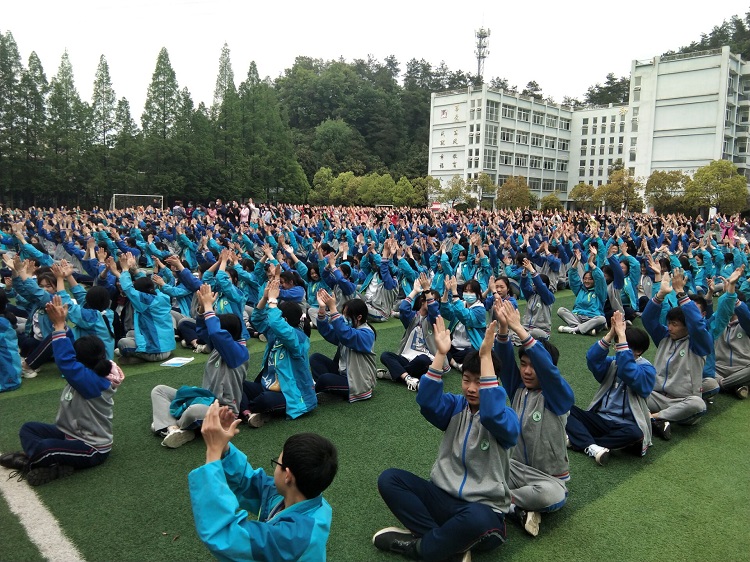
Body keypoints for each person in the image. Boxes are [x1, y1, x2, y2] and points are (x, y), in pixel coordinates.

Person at [373, 317, 519, 562]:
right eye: (466, 380)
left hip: (482, 510)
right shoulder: (455, 406)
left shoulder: (508, 418)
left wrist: (486, 357)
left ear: (492, 382)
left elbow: (492, 415)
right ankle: (445, 545)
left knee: (478, 520)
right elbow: (427, 402)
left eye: (479, 382)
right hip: (441, 498)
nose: (471, 388)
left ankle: (418, 548)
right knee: (390, 479)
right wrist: (440, 354)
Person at [189, 401, 338, 561]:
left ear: (288, 476)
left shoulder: (295, 536)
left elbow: (225, 536)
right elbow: (249, 482)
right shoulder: (300, 495)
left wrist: (213, 452)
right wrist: (223, 447)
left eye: (277, 462)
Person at [0, 296, 124, 485]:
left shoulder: (93, 382)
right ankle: (48, 462)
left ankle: (32, 462)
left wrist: (58, 327)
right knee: (29, 429)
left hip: (92, 448)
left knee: (46, 448)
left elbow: (65, 360)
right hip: (70, 434)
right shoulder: (90, 371)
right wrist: (62, 324)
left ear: (79, 361)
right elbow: (71, 351)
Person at [493, 299, 573, 537]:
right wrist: (504, 328)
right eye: (524, 364)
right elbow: (505, 361)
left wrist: (520, 328)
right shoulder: (518, 388)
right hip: (514, 468)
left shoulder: (557, 396)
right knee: (480, 465)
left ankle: (495, 500)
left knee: (552, 496)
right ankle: (514, 508)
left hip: (548, 478)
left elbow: (549, 372)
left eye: (534, 366)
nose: (527, 371)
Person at [150, 284, 249, 448]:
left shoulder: (239, 353)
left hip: (224, 412)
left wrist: (210, 306)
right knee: (159, 390)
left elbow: (215, 333)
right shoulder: (219, 347)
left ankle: (168, 423)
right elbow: (204, 331)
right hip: (204, 399)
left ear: (226, 334)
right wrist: (203, 309)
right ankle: (173, 428)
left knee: (193, 410)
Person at [567, 310, 656, 465]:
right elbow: (592, 359)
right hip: (601, 420)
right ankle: (591, 445)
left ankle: (584, 441)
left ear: (638, 351)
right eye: (618, 344)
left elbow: (628, 372)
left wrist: (622, 335)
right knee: (566, 409)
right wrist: (611, 334)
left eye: (623, 345)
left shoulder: (647, 369)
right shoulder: (613, 362)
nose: (618, 348)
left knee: (636, 434)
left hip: (625, 425)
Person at [642, 268, 712, 439]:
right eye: (669, 323)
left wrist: (681, 292)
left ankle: (654, 418)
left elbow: (697, 325)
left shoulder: (698, 343)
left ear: (687, 326)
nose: (670, 328)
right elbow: (647, 319)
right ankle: (659, 421)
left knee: (698, 404)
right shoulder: (664, 336)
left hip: (682, 401)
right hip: (656, 397)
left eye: (675, 324)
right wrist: (660, 294)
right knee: (630, 388)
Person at [242, 278, 317, 427]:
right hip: (268, 386)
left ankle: (249, 409)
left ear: (285, 320)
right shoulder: (275, 333)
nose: (272, 317)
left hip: (291, 396)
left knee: (264, 400)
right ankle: (248, 413)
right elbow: (257, 319)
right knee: (239, 385)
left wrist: (273, 301)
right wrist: (265, 298)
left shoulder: (298, 338)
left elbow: (277, 324)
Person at [378, 273, 443, 392]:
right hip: (407, 358)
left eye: (436, 302)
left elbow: (434, 311)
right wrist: (415, 291)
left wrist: (427, 290)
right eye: (432, 300)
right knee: (385, 355)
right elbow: (403, 308)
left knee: (422, 359)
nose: (435, 304)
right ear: (422, 301)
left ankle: (393, 374)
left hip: (425, 359)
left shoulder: (434, 320)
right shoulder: (412, 317)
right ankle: (408, 378)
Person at [312, 291, 377, 402]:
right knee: (316, 358)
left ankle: (319, 392)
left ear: (359, 317)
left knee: (325, 379)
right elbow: (328, 332)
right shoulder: (348, 330)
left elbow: (346, 335)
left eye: (347, 315)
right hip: (344, 374)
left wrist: (333, 308)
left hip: (358, 382)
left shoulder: (367, 334)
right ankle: (329, 391)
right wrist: (322, 309)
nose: (344, 318)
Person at [557, 246, 607, 336]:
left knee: (602, 319)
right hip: (578, 317)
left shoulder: (599, 291)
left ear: (594, 280)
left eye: (590, 279)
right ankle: (585, 329)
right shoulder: (580, 289)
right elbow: (572, 276)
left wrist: (590, 262)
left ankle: (575, 329)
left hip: (592, 318)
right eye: (585, 278)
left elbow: (600, 278)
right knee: (561, 310)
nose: (587, 281)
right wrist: (577, 261)